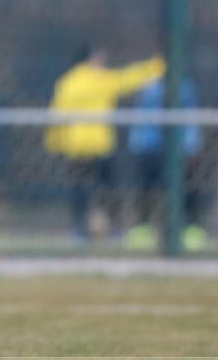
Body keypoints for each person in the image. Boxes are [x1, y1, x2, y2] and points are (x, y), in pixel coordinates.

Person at [45, 46, 165, 240]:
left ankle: (79, 230)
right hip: (100, 145)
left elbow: (57, 115)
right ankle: (114, 228)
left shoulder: (67, 82)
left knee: (79, 191)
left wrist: (54, 143)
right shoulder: (100, 79)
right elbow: (128, 79)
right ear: (91, 59)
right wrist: (156, 66)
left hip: (75, 147)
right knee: (108, 189)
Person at [127, 76, 207, 251]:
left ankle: (189, 229)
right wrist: (138, 142)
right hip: (150, 147)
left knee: (187, 188)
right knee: (147, 189)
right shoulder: (146, 86)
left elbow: (191, 116)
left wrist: (191, 145)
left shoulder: (185, 87)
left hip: (180, 149)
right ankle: (143, 228)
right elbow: (140, 116)